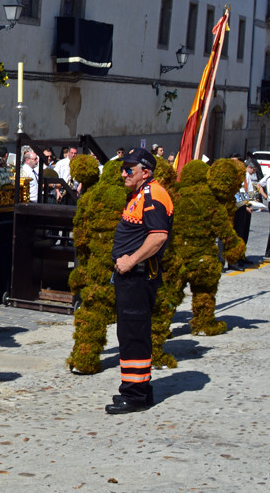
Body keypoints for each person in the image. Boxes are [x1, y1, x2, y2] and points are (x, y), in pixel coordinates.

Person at [106, 148, 173, 414]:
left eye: (129, 169)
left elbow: (158, 237)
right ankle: (140, 389)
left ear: (145, 172)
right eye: (124, 167)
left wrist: (131, 260)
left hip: (138, 275)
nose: (124, 172)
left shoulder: (153, 196)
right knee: (132, 332)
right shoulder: (141, 193)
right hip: (132, 276)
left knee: (133, 333)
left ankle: (133, 395)